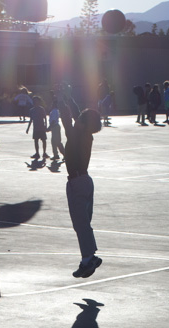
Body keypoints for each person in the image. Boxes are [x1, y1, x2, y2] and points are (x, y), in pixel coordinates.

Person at [60, 104, 102, 279]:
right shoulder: (84, 135)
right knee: (83, 223)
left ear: (83, 124)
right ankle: (88, 258)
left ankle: (89, 258)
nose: (75, 121)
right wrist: (68, 99)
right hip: (82, 181)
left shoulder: (78, 135)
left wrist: (62, 102)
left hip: (78, 182)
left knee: (81, 224)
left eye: (79, 120)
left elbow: (67, 120)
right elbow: (77, 116)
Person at [26, 95, 48, 159]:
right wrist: (28, 128)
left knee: (44, 140)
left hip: (41, 127)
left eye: (36, 101)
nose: (35, 102)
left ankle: (44, 152)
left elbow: (45, 118)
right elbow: (31, 120)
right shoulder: (32, 110)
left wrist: (45, 126)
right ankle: (37, 153)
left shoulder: (41, 109)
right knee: (36, 141)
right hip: (36, 128)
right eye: (34, 101)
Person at [48, 95, 65, 161]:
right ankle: (55, 154)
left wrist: (49, 127)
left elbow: (53, 120)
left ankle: (65, 154)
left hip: (55, 127)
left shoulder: (55, 111)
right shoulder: (53, 111)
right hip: (54, 127)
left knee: (57, 142)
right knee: (53, 142)